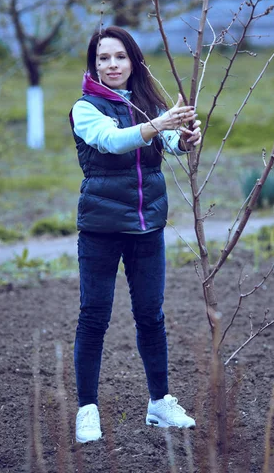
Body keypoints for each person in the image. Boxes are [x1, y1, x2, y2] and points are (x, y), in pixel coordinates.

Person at [69, 26, 201, 443]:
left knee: (151, 316)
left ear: (133, 61)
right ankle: (87, 409)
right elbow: (111, 142)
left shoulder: (146, 103)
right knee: (94, 318)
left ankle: (160, 404)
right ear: (94, 63)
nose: (111, 65)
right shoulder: (86, 108)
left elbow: (165, 141)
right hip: (101, 229)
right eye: (103, 58)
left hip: (148, 225)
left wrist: (183, 139)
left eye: (120, 57)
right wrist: (158, 123)